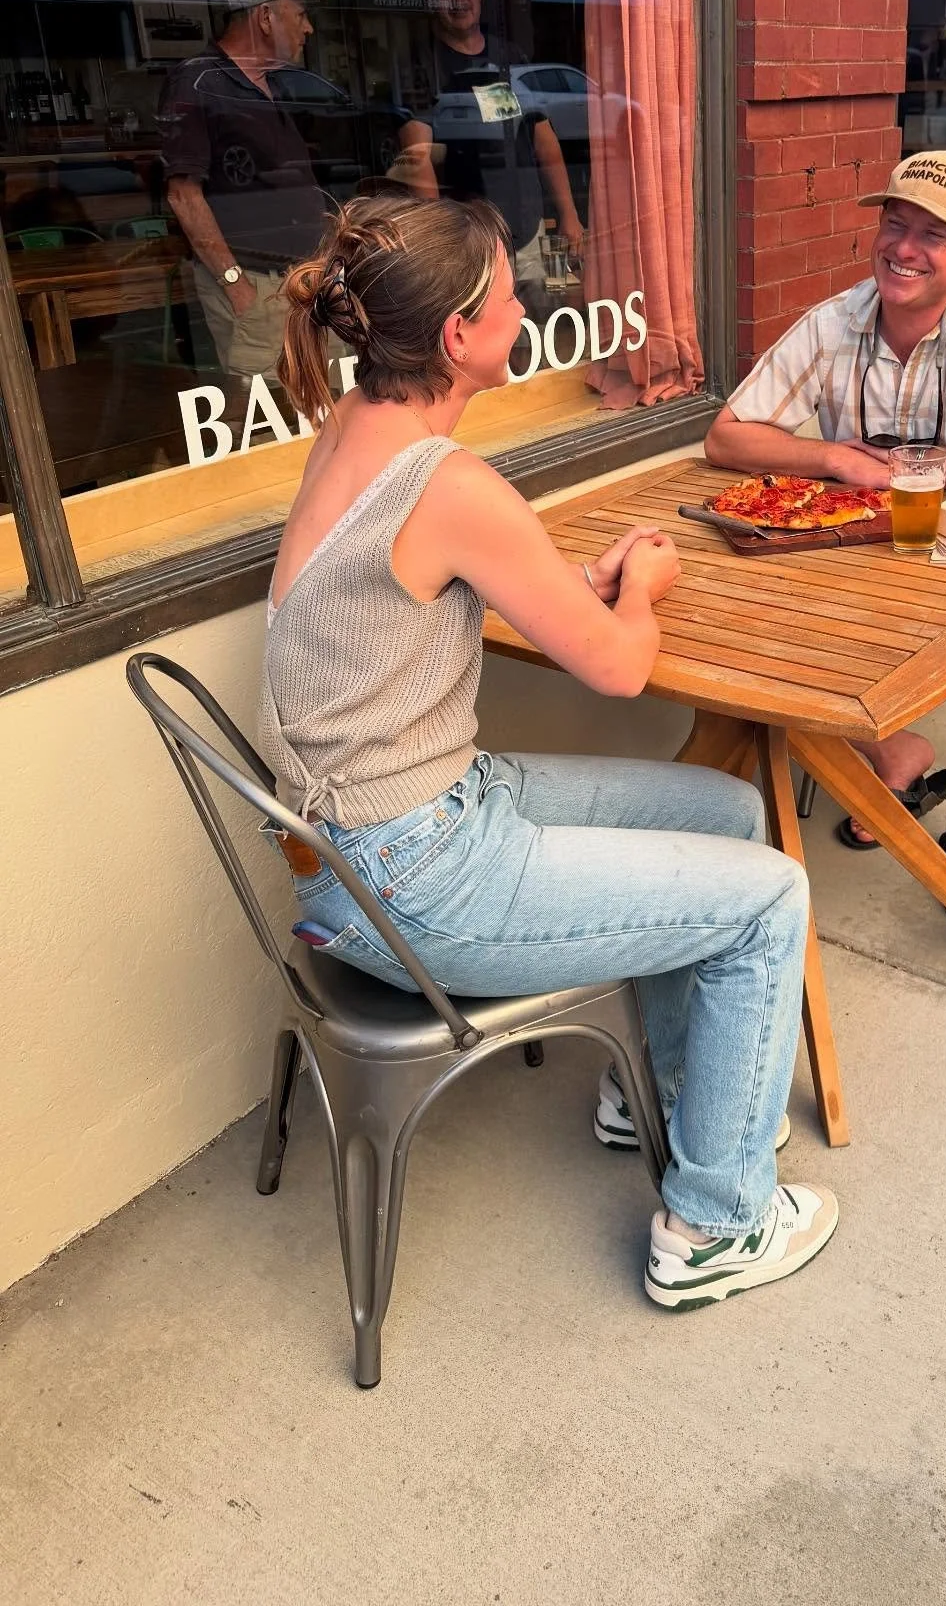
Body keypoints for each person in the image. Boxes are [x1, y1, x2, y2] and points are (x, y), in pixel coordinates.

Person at [256, 192, 838, 1309]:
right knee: (768, 899)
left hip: (360, 845)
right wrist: (647, 590)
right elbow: (620, 667)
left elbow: (410, 596)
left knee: (727, 815)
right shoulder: (449, 483)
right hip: (410, 876)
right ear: (457, 340)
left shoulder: (353, 432)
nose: (531, 303)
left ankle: (656, 1097)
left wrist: (579, 588)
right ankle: (715, 1227)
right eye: (510, 293)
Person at [705, 150, 946, 915]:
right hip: (857, 550)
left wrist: (920, 461)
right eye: (894, 224)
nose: (903, 249)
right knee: (745, 628)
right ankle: (893, 751)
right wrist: (832, 455)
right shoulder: (833, 320)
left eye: (933, 235)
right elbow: (727, 439)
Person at [159, 0, 335, 377]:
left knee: (330, 411)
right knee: (272, 424)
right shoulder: (197, 82)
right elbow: (183, 194)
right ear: (266, 17)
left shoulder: (271, 83)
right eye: (300, 13)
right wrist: (237, 285)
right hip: (259, 286)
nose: (307, 27)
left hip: (306, 284)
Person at [397, 0, 584, 321]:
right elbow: (418, 161)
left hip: (530, 232)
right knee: (485, 337)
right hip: (472, 240)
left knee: (546, 323)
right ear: (430, 1)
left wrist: (569, 214)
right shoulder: (422, 66)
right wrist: (441, 242)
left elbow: (542, 140)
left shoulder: (509, 57)